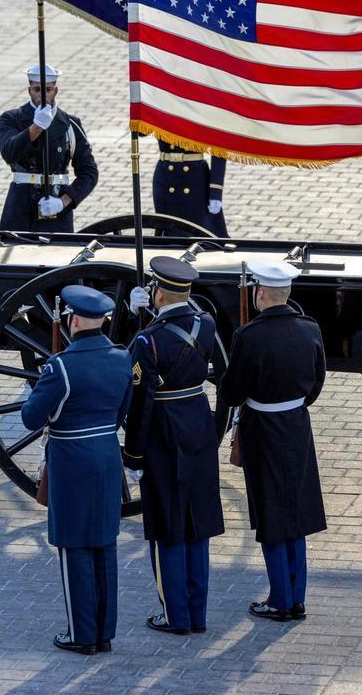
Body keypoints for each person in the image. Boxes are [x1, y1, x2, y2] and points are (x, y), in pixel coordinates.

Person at [21, 285, 132, 655]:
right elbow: (122, 410)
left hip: (72, 459)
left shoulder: (61, 366)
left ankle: (82, 633)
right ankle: (104, 631)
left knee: (74, 545)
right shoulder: (120, 357)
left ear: (73, 320)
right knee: (104, 542)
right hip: (106, 453)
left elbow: (30, 417)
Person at [218, 259, 326, 622]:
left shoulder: (248, 336)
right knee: (295, 512)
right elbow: (317, 383)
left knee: (271, 516)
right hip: (297, 424)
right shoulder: (309, 328)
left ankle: (281, 599)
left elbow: (232, 392)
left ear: (260, 293)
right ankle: (296, 595)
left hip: (263, 429)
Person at [123, 258, 225, 635]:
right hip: (198, 424)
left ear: (158, 292)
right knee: (197, 525)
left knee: (167, 527)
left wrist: (132, 455)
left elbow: (139, 401)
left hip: (163, 432)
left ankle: (174, 614)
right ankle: (196, 614)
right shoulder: (207, 323)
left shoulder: (147, 340)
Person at [0, 65, 98, 233]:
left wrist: (64, 201)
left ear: (56, 91)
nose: (43, 95)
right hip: (20, 205)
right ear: (29, 91)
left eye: (48, 89)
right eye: (37, 89)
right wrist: (36, 127)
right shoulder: (11, 118)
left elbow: (89, 172)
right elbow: (9, 153)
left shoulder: (70, 124)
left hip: (55, 204)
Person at [152, 139, 228, 237]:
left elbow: (219, 143)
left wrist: (216, 191)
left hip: (194, 180)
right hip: (166, 175)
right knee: (167, 233)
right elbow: (142, 132)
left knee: (201, 234)